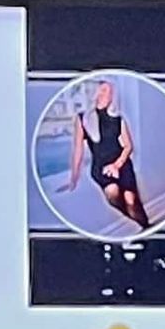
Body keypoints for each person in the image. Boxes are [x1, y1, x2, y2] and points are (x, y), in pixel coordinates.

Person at [66, 79, 151, 230]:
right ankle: (139, 221)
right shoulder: (83, 119)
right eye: (104, 90)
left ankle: (146, 226)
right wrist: (74, 177)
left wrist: (116, 165)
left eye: (110, 92)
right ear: (96, 93)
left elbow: (128, 146)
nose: (107, 94)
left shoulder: (118, 119)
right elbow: (78, 149)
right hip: (101, 167)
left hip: (121, 164)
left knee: (131, 200)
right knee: (113, 195)